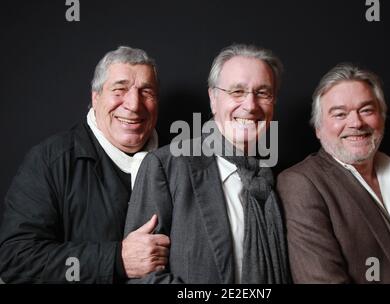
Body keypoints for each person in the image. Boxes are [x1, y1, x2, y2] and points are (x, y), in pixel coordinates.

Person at [0, 46, 170, 283]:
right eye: (119, 90)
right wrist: (116, 259)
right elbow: (16, 260)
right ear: (95, 96)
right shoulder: (51, 161)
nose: (133, 104)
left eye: (146, 91)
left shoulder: (180, 164)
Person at [124, 44, 291, 284]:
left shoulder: (277, 179)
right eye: (237, 92)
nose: (251, 105)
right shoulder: (166, 166)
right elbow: (142, 278)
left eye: (263, 93)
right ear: (214, 98)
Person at [277, 63, 390, 283]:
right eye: (340, 114)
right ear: (318, 128)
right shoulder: (301, 184)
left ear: (382, 118)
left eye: (366, 110)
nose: (356, 122)